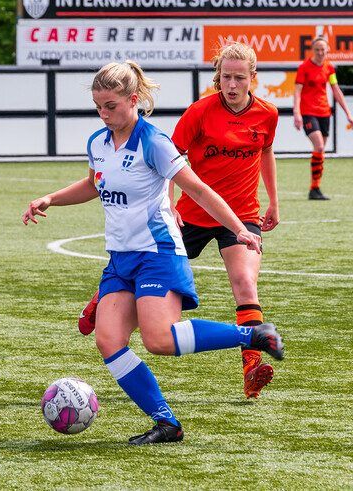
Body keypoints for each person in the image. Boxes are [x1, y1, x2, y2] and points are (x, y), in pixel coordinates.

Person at [23, 60, 284, 445]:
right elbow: (95, 183)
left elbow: (198, 190)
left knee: (159, 339)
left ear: (133, 100)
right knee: (109, 341)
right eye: (98, 106)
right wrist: (51, 198)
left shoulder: (154, 142)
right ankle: (166, 423)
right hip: (120, 258)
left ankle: (251, 335)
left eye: (111, 106)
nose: (104, 114)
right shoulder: (98, 141)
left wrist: (238, 229)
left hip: (158, 252)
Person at [79, 42, 281, 400]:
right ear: (218, 78)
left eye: (239, 78)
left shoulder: (267, 114)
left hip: (241, 214)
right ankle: (105, 295)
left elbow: (266, 152)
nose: (231, 85)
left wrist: (274, 202)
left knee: (245, 282)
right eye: (225, 77)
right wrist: (169, 203)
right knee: (149, 261)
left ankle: (252, 366)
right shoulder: (200, 112)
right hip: (190, 214)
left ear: (253, 78)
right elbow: (170, 160)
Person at [293, 36, 353, 200]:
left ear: (327, 50)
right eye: (317, 50)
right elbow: (298, 91)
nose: (320, 53)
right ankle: (314, 189)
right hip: (308, 112)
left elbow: (336, 90)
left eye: (323, 50)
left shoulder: (329, 68)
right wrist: (297, 113)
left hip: (324, 113)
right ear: (312, 51)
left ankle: (315, 188)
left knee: (320, 152)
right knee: (319, 146)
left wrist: (348, 113)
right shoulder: (304, 68)